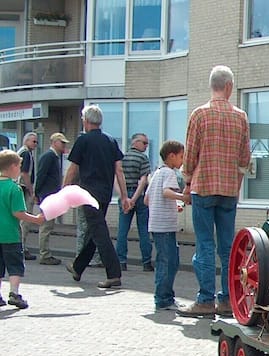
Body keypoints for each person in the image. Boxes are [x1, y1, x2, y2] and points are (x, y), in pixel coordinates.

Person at [178, 65, 251, 318]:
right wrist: (237, 184)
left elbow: (190, 155)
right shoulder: (240, 116)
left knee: (205, 244)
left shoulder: (199, 115)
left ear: (213, 86)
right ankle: (228, 298)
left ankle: (205, 299)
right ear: (229, 87)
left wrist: (187, 182)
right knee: (228, 246)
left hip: (204, 186)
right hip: (229, 190)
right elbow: (244, 158)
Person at [63, 104, 129, 289]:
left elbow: (73, 169)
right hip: (105, 194)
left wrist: (63, 190)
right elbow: (119, 170)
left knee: (99, 232)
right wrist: (123, 196)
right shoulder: (110, 141)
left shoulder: (83, 141)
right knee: (95, 230)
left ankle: (114, 274)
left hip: (88, 193)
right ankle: (78, 267)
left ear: (86, 120)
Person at [144, 140, 190, 311]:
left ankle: (165, 296)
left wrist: (170, 206)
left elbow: (147, 199)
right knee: (169, 262)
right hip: (165, 226)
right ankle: (164, 298)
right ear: (171, 156)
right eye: (181, 156)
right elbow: (166, 192)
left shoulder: (156, 173)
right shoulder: (170, 173)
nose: (182, 160)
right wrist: (182, 198)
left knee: (168, 260)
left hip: (157, 224)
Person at [0, 149, 45, 308]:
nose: (20, 169)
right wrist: (36, 219)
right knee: (14, 266)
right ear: (12, 167)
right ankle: (14, 293)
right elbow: (18, 212)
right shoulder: (15, 188)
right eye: (19, 166)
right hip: (11, 235)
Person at [116, 133, 154, 272]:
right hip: (139, 196)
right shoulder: (143, 158)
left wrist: (123, 197)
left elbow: (117, 177)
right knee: (143, 229)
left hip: (125, 194)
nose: (146, 145)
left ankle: (121, 261)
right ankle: (146, 262)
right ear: (136, 142)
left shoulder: (122, 158)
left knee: (122, 230)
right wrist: (134, 198)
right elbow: (143, 180)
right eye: (144, 143)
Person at [34, 132, 69, 265]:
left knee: (48, 225)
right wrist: (37, 193)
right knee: (46, 226)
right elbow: (41, 175)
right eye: (62, 143)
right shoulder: (49, 156)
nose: (64, 146)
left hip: (51, 195)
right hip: (47, 195)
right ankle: (44, 254)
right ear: (54, 142)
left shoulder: (54, 157)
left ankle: (45, 253)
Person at [17, 132, 38, 260]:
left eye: (36, 142)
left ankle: (21, 246)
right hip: (23, 188)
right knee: (25, 219)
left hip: (18, 187)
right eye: (33, 141)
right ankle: (22, 248)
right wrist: (31, 190)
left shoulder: (22, 152)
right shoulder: (26, 153)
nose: (35, 144)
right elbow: (25, 174)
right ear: (26, 141)